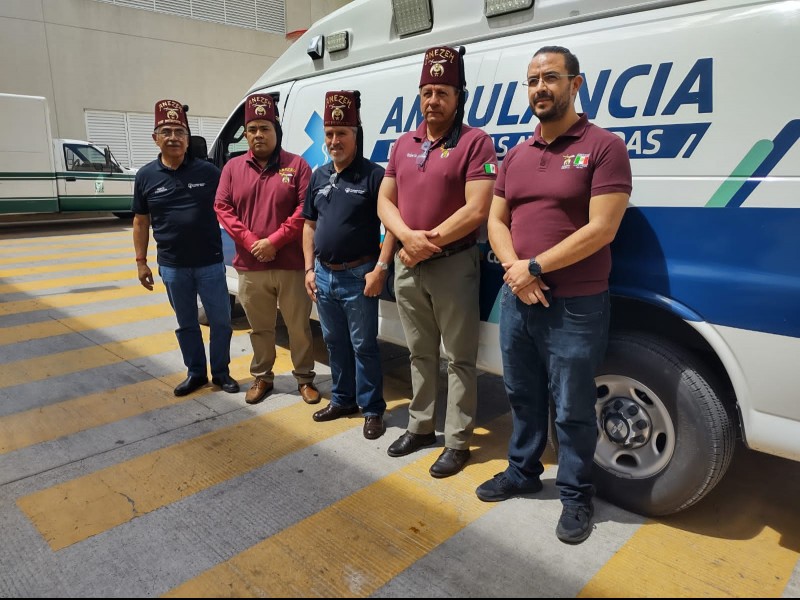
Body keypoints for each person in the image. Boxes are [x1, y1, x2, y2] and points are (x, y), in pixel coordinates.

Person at [475, 46, 632, 545]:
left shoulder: (604, 146)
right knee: (521, 395)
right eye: (532, 80)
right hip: (518, 298)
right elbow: (496, 220)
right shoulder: (516, 155)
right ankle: (522, 471)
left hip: (576, 305)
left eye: (550, 77)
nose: (540, 88)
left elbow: (603, 228)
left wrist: (535, 267)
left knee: (572, 406)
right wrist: (516, 271)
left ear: (575, 84)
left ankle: (576, 494)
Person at [377, 46, 497, 477]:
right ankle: (421, 426)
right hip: (408, 265)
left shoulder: (475, 142)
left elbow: (477, 209)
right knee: (419, 352)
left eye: (443, 92)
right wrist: (408, 239)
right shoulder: (403, 144)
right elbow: (385, 201)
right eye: (427, 92)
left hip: (452, 264)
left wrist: (426, 242)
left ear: (458, 96)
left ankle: (458, 440)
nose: (433, 101)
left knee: (459, 357)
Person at [215, 93, 320, 406]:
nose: (258, 134)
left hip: (290, 264)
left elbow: (305, 209)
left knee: (298, 328)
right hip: (251, 267)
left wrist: (275, 241)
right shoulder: (232, 168)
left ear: (277, 131)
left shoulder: (297, 166)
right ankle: (262, 376)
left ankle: (305, 378)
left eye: (265, 128)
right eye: (252, 129)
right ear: (246, 134)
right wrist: (251, 242)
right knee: (260, 329)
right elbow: (222, 207)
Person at [302, 90, 396, 440]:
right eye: (329, 133)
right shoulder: (318, 176)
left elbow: (392, 227)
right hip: (323, 275)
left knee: (363, 346)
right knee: (334, 342)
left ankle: (372, 409)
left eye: (341, 133)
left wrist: (380, 269)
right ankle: (343, 400)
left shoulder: (374, 176)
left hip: (359, 275)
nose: (334, 141)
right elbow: (308, 226)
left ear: (356, 134)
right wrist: (309, 269)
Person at [132, 99, 238, 397]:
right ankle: (196, 373)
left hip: (210, 263)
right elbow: (141, 221)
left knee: (221, 322)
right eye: (166, 131)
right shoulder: (146, 176)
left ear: (188, 139)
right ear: (155, 138)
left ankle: (221, 373)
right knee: (187, 323)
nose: (173, 137)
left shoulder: (209, 172)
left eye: (180, 131)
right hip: (173, 266)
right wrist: (141, 261)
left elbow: (230, 207)